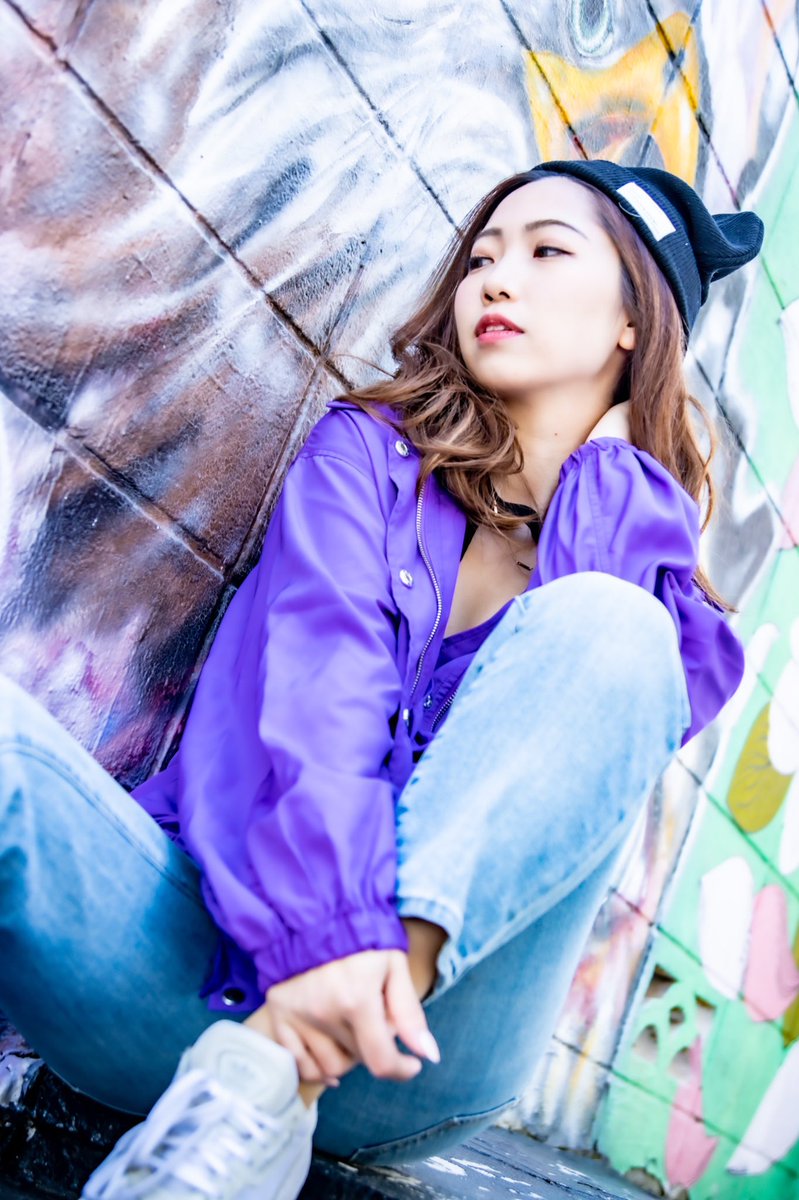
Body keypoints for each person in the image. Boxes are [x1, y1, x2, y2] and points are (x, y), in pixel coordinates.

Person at [0, 160, 762, 1200]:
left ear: (637, 316)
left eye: (546, 251)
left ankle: (290, 1054)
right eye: (480, 258)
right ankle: (266, 1070)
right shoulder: (364, 456)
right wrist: (329, 936)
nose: (497, 279)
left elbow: (578, 720)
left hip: (422, 1051)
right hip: (193, 966)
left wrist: (608, 481)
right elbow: (318, 695)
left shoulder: (652, 583)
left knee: (612, 626)